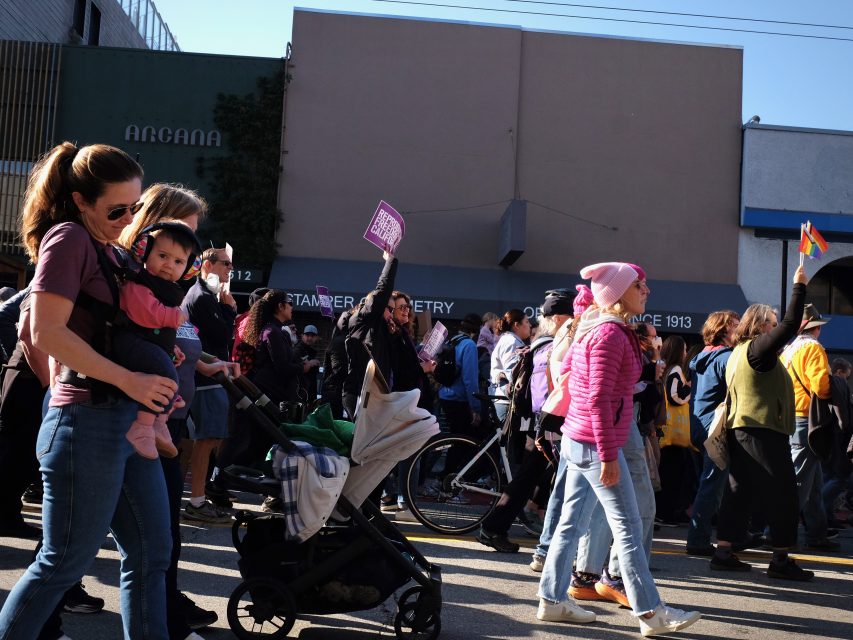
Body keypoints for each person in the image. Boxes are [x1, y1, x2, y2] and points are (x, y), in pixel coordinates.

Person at [0, 142, 177, 640]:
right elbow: (43, 332)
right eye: (116, 209)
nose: (127, 219)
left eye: (134, 208)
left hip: (120, 420)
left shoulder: (107, 247)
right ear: (80, 200)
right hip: (87, 421)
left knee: (150, 555)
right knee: (63, 565)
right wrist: (130, 378)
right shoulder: (70, 238)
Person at [536, 262, 700, 637]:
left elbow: (599, 397)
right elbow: (598, 399)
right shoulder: (609, 333)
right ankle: (651, 613)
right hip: (595, 443)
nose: (646, 290)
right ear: (619, 291)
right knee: (627, 525)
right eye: (639, 285)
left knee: (570, 524)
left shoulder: (602, 327)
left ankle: (551, 600)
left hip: (581, 440)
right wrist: (609, 456)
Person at [117, 183, 230, 638]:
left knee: (156, 541)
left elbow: (179, 343)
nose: (189, 246)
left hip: (167, 416)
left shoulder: (172, 284)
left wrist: (207, 361)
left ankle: (168, 615)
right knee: (79, 548)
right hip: (129, 419)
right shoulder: (135, 276)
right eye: (184, 231)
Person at [709, 265, 814, 580]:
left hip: (743, 429)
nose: (775, 328)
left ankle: (724, 551)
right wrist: (799, 286)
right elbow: (791, 324)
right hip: (762, 430)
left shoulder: (739, 352)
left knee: (738, 490)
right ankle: (781, 559)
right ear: (760, 326)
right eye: (771, 323)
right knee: (784, 492)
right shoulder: (759, 350)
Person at [478, 291, 573, 553]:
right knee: (539, 477)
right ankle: (504, 530)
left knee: (530, 476)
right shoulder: (551, 346)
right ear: (557, 318)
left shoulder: (541, 343)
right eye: (571, 316)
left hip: (541, 422)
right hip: (549, 423)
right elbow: (546, 392)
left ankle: (496, 527)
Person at [113, 223, 202, 460]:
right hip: (130, 341)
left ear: (189, 267)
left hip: (146, 342)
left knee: (171, 375)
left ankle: (159, 421)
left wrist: (170, 346)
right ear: (145, 251)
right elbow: (145, 313)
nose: (168, 265)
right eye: (162, 256)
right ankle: (142, 427)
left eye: (178, 262)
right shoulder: (138, 282)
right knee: (167, 375)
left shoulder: (168, 288)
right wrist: (175, 317)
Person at [182, 247, 238, 522]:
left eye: (231, 265)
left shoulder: (206, 295)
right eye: (226, 264)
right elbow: (224, 334)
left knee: (207, 439)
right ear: (207, 265)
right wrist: (230, 310)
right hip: (205, 379)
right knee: (207, 440)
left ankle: (196, 498)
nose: (230, 269)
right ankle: (196, 501)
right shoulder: (202, 296)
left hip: (208, 375)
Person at [781, 304, 839, 551]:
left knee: (813, 481)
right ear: (813, 328)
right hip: (807, 418)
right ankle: (777, 533)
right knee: (799, 479)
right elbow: (821, 386)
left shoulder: (788, 349)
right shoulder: (814, 348)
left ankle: (816, 534)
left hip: (789, 417)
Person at [685, 310, 740, 556]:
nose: (740, 330)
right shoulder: (727, 358)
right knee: (712, 485)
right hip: (715, 428)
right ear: (724, 330)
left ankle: (714, 535)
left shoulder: (702, 357)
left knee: (712, 483)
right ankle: (698, 540)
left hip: (700, 425)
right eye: (735, 326)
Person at [343, 252, 398, 420]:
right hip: (361, 394)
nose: (392, 313)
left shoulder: (380, 328)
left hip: (374, 394)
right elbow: (382, 292)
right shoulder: (364, 318)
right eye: (389, 308)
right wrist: (390, 261)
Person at [655, 335, 694, 526]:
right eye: (684, 349)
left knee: (666, 474)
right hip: (674, 434)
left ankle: (662, 512)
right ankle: (667, 514)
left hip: (665, 431)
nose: (686, 353)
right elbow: (674, 396)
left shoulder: (664, 368)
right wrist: (689, 389)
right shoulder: (677, 369)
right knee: (673, 476)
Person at [294, 324, 322, 406]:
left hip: (310, 389)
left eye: (312, 336)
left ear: (316, 338)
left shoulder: (312, 351)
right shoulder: (297, 350)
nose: (309, 338)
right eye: (307, 335)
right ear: (302, 336)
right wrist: (309, 363)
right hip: (300, 390)